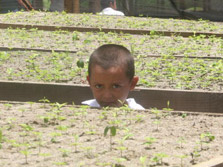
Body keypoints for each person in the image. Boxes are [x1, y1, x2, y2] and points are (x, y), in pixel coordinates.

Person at [82, 44, 144, 110]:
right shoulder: (84, 109)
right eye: (99, 86)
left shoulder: (139, 113)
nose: (107, 96)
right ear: (90, 82)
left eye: (116, 86)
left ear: (132, 83)